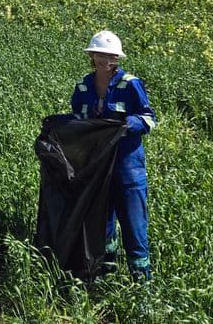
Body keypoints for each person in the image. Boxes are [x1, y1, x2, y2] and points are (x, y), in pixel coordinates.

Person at [70, 30, 156, 281]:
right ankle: (107, 278)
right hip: (97, 167)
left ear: (117, 57)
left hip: (128, 167)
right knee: (102, 226)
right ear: (92, 55)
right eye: (100, 54)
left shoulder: (130, 84)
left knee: (134, 228)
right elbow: (78, 121)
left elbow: (150, 119)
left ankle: (143, 288)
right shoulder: (83, 86)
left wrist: (130, 124)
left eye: (110, 56)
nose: (105, 60)